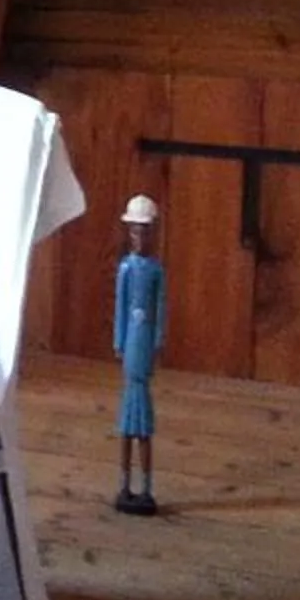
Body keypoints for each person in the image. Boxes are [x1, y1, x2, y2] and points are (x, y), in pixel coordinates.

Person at [113, 194, 165, 515]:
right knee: (128, 426)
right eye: (134, 232)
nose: (139, 238)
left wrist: (157, 342)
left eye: (144, 232)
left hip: (144, 344)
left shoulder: (156, 270)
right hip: (132, 343)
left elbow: (161, 309)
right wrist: (118, 342)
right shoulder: (126, 269)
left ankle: (144, 487)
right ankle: (124, 484)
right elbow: (120, 307)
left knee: (142, 427)